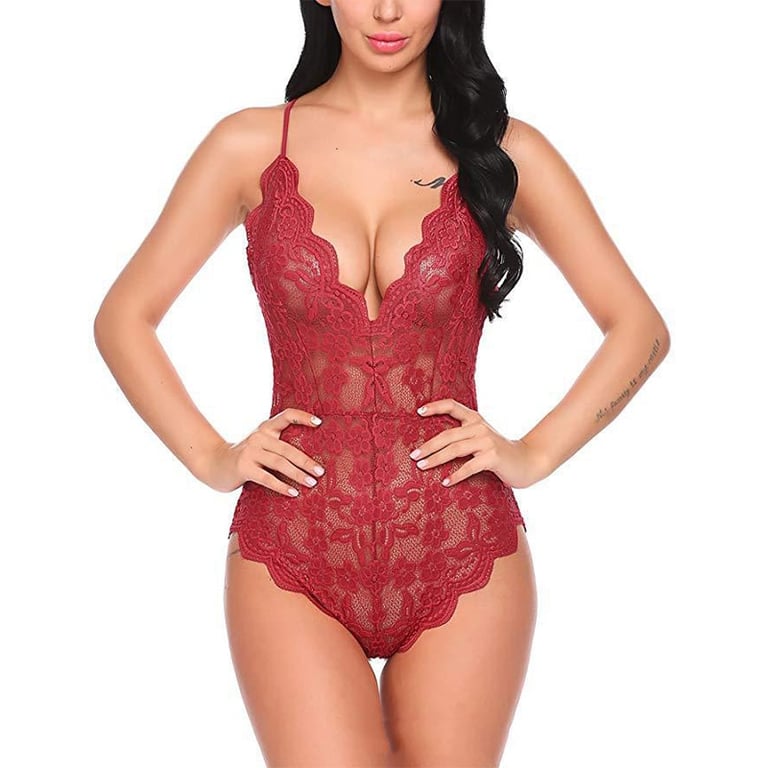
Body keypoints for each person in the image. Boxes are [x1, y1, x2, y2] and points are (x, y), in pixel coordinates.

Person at [93, 1, 670, 765]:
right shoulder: (249, 146)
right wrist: (212, 457)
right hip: (291, 546)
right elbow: (124, 317)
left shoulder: (502, 151)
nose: (389, 10)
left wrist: (533, 453)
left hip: (463, 548)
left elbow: (640, 328)